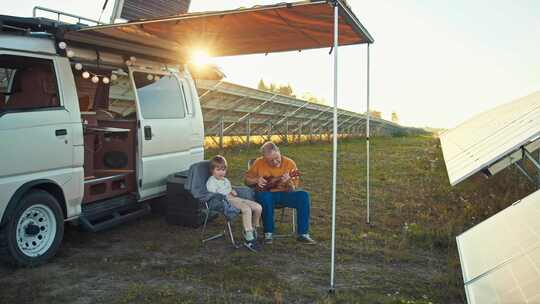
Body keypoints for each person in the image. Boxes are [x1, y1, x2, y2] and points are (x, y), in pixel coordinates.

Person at [244, 142, 316, 245]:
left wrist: (288, 182)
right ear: (264, 158)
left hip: (284, 194)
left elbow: (292, 189)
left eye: (276, 158)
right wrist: (256, 180)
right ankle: (268, 233)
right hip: (266, 195)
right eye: (270, 160)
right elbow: (246, 180)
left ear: (279, 152)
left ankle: (303, 234)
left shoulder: (290, 163)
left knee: (303, 195)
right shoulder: (258, 163)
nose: (275, 162)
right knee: (265, 197)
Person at [206, 155, 262, 252]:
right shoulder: (211, 182)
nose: (221, 172)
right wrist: (226, 194)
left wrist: (232, 190)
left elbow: (228, 188)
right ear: (212, 170)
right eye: (218, 169)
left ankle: (252, 228)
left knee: (258, 207)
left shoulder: (226, 180)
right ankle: (249, 239)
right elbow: (213, 194)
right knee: (246, 209)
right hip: (226, 201)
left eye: (223, 170)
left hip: (236, 198)